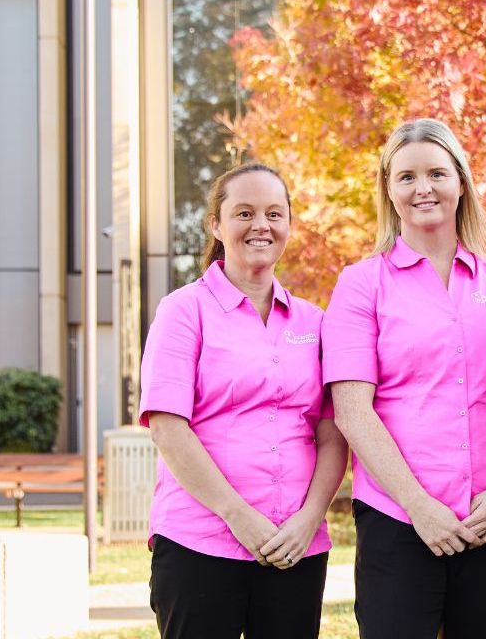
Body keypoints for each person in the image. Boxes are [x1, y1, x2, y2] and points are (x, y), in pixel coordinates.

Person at [322, 119, 486, 639]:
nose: (424, 188)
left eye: (437, 173)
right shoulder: (360, 285)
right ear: (389, 192)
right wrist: (419, 507)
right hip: (398, 520)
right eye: (407, 177)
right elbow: (353, 410)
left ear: (460, 182)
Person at [139, 163, 347, 638]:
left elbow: (332, 433)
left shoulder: (314, 322)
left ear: (289, 224)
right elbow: (168, 428)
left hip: (296, 546)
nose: (262, 225)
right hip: (201, 541)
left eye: (275, 213)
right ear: (216, 223)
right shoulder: (183, 311)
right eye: (245, 212)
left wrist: (310, 518)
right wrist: (238, 516)